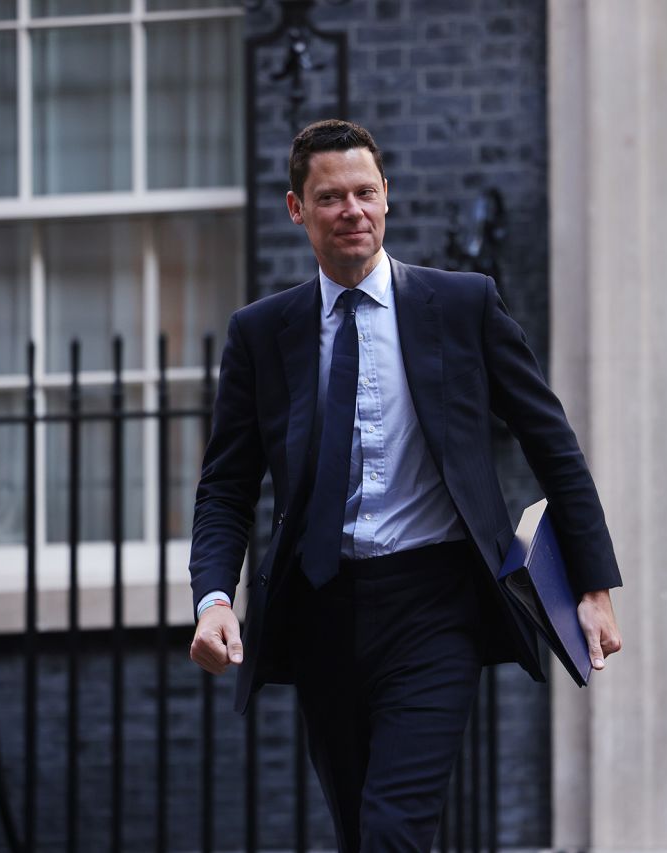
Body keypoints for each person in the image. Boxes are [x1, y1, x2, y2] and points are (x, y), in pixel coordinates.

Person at [187, 119, 622, 853]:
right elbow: (227, 486)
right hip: (321, 606)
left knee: (394, 828)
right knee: (362, 830)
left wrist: (594, 584)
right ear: (297, 208)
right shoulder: (262, 333)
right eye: (330, 197)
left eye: (365, 192)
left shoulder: (462, 305)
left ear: (387, 197)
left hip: (436, 605)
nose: (352, 209)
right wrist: (214, 598)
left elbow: (553, 444)